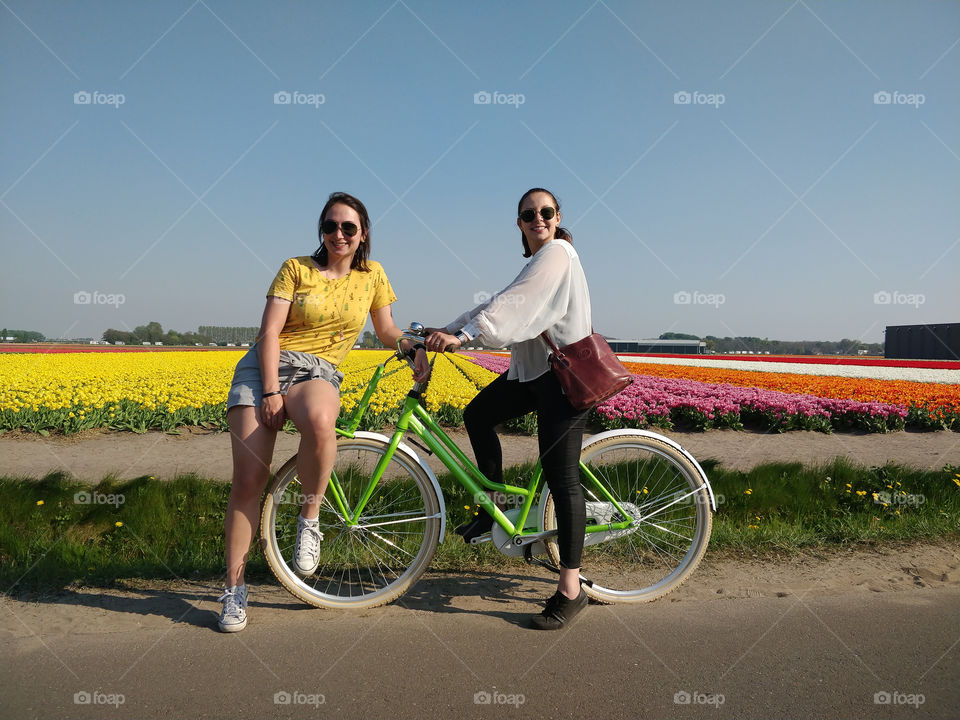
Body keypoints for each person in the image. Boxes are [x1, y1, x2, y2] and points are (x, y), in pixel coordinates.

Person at [218, 192, 429, 632]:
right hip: (265, 368)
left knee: (320, 420)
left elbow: (387, 329)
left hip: (319, 371)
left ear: (363, 233)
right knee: (250, 480)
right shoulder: (296, 268)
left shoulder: (373, 276)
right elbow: (269, 333)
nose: (338, 234)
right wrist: (271, 392)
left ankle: (309, 519)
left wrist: (409, 347)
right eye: (330, 226)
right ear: (322, 231)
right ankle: (234, 589)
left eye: (348, 228)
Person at [425, 187, 592, 630]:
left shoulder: (558, 253)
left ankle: (571, 591)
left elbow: (516, 304)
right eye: (528, 214)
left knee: (561, 476)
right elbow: (499, 299)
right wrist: (452, 326)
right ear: (518, 223)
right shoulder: (535, 262)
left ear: (557, 217)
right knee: (478, 415)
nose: (538, 218)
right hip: (534, 375)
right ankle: (492, 507)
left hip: (563, 380)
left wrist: (465, 337)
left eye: (546, 211)